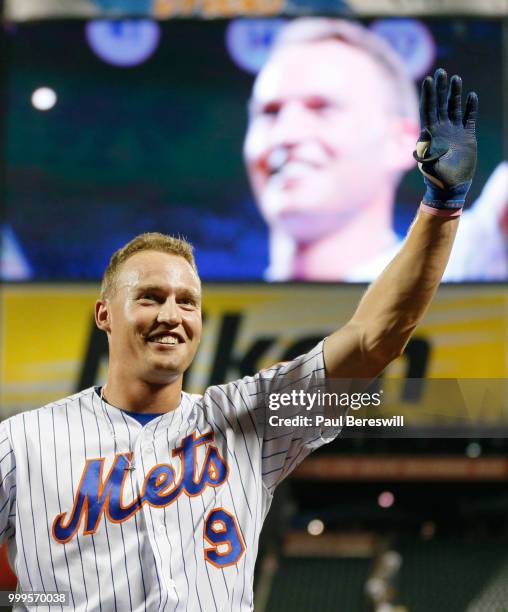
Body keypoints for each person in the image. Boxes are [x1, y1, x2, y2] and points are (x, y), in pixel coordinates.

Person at [0, 69, 477, 610]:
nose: (172, 315)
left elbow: (372, 340)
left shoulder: (249, 422)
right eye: (151, 297)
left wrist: (441, 206)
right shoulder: (22, 444)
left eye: (187, 301)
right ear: (105, 314)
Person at [244, 18, 507, 281]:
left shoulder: (459, 266)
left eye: (322, 108)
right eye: (269, 113)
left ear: (400, 141)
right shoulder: (208, 302)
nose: (285, 134)